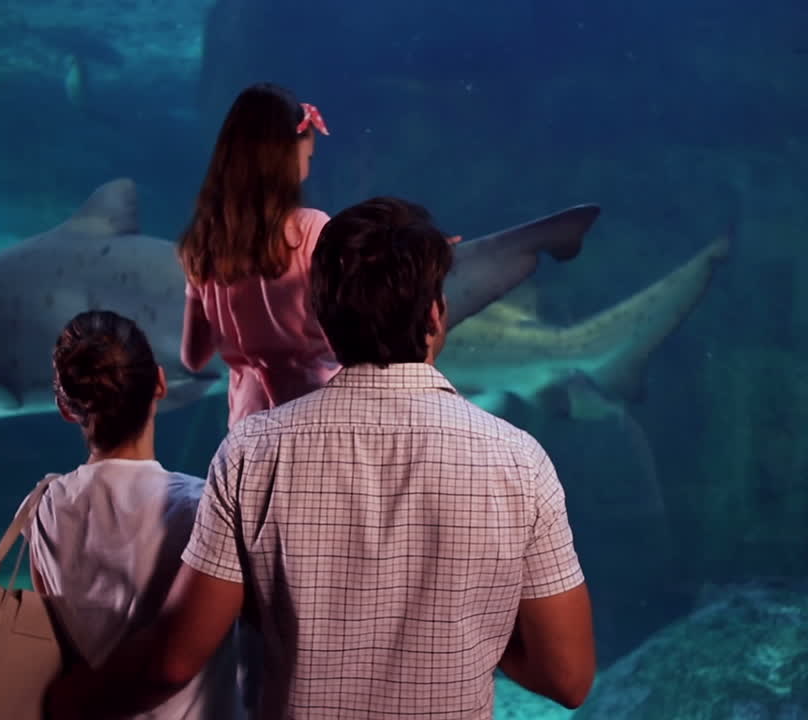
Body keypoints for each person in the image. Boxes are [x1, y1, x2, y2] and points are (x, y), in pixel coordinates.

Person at [43, 197, 596, 719]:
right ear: (435, 315)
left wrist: (62, 700)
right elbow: (568, 677)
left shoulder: (253, 452)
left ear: (320, 319)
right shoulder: (520, 461)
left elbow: (176, 659)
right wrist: (465, 631)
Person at [178, 82, 459, 427]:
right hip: (320, 411)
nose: (309, 165)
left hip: (246, 421)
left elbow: (193, 358)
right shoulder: (310, 229)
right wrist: (414, 252)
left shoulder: (200, 244)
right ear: (285, 157)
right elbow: (352, 327)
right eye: (307, 156)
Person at [26, 309, 242, 719]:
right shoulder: (203, 506)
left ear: (66, 408)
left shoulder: (43, 506)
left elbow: (56, 645)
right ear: (160, 383)